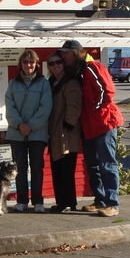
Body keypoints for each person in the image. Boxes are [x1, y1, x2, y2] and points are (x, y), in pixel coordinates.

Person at [59, 40, 124, 217]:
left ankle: (112, 203)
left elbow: (107, 92)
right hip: (89, 127)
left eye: (66, 52)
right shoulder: (78, 72)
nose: (63, 56)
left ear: (76, 52)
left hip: (104, 124)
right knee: (93, 165)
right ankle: (100, 200)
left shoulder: (92, 67)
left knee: (107, 164)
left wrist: (96, 111)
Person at [5, 50, 53, 213]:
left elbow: (45, 107)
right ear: (21, 64)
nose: (28, 65)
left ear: (37, 64)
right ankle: (22, 200)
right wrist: (19, 125)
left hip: (37, 133)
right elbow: (9, 107)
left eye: (31, 62)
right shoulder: (13, 84)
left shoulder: (43, 84)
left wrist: (31, 125)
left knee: (37, 167)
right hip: (16, 133)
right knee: (19, 169)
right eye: (25, 62)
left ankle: (38, 201)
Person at [46, 51, 82, 213]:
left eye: (58, 62)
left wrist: (68, 124)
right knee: (57, 169)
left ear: (64, 63)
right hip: (54, 133)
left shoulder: (70, 82)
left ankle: (69, 202)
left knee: (67, 170)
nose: (55, 66)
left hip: (66, 134)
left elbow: (74, 106)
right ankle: (61, 202)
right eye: (51, 64)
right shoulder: (51, 82)